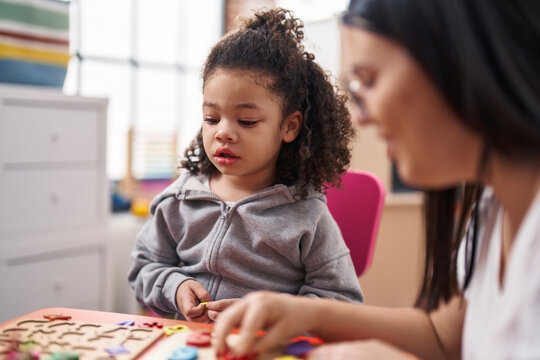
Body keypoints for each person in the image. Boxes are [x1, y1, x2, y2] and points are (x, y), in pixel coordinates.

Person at [214, 0, 540, 358]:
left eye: (368, 81)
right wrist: (305, 313)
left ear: (461, 63)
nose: (360, 116)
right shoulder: (492, 211)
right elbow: (442, 337)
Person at [128, 8, 364, 323]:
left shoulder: (307, 216)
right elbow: (144, 267)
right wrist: (175, 285)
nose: (223, 131)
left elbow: (342, 300)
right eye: (211, 118)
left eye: (247, 120)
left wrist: (273, 316)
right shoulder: (179, 201)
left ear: (289, 127)